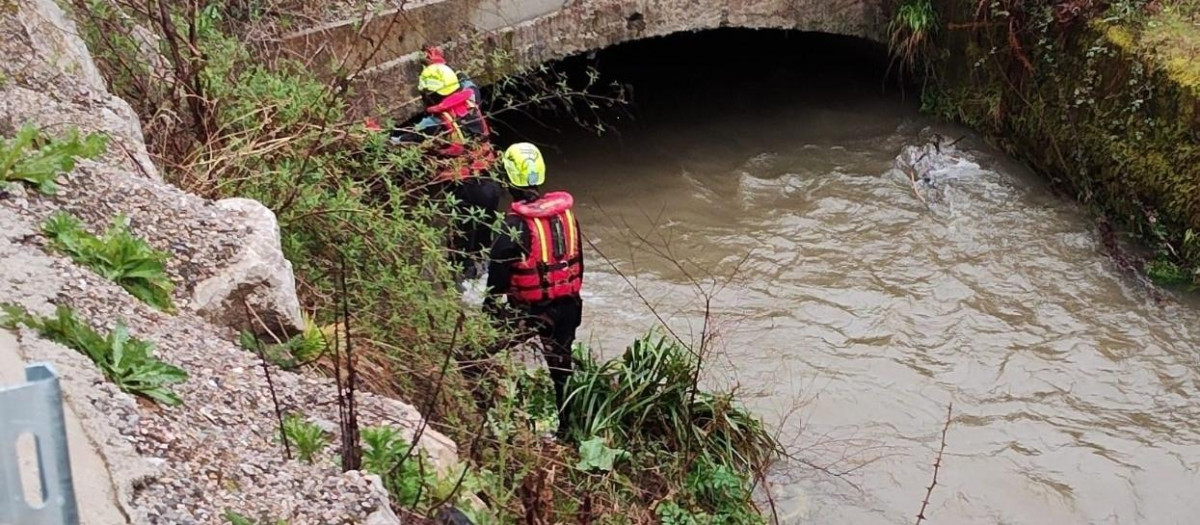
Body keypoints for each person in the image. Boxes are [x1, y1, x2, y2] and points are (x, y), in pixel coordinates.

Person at [484, 143, 584, 436]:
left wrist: (488, 321)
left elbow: (496, 285)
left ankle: (488, 411)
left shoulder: (513, 227)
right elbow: (579, 262)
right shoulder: (567, 217)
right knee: (561, 369)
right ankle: (567, 429)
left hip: (531, 312)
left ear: (506, 179)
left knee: (473, 353)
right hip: (569, 306)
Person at [386, 49, 501, 281]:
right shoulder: (472, 98)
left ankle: (460, 293)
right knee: (484, 246)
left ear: (429, 95)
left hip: (464, 193)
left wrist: (372, 133)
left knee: (460, 252)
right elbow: (465, 80)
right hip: (491, 185)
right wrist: (440, 64)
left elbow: (397, 139)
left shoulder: (433, 125)